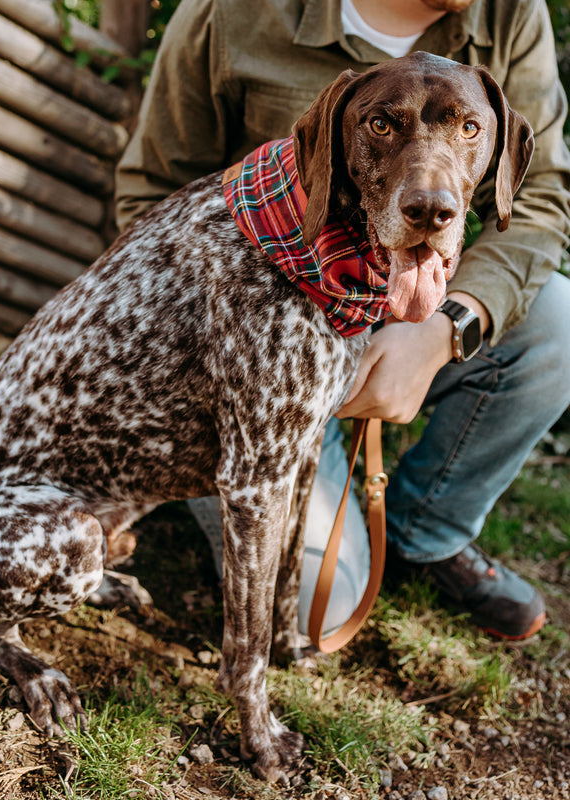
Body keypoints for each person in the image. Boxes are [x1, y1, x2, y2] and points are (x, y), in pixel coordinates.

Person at [115, 0, 570, 641]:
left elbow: (541, 200)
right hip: (260, 351)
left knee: (558, 325)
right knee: (312, 614)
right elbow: (150, 195)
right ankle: (233, 477)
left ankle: (426, 532)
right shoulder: (229, 11)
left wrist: (442, 330)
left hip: (412, 318)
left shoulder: (513, 13)